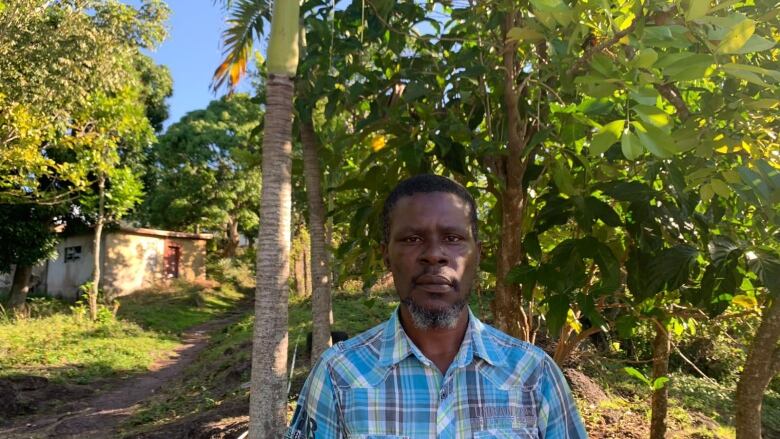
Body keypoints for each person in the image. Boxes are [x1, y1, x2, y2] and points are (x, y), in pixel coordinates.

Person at [287, 174, 588, 438]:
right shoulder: (339, 375)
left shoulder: (533, 375)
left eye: (453, 238)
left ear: (477, 255)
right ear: (386, 257)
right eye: (412, 238)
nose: (434, 255)